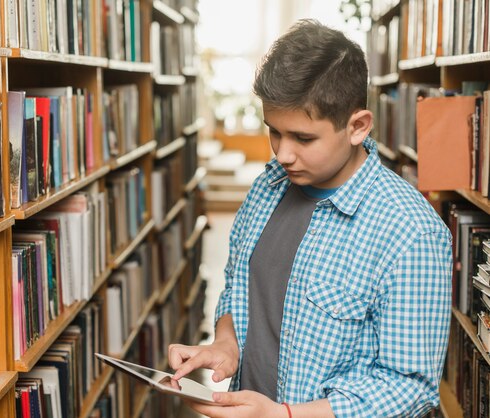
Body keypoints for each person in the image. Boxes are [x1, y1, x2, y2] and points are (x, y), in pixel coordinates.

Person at [168, 19, 452, 418]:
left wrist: (281, 414)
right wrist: (225, 345)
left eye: (303, 138)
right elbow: (239, 285)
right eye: (274, 132)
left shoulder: (410, 232)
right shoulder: (268, 186)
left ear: (357, 127)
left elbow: (408, 388)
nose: (282, 154)